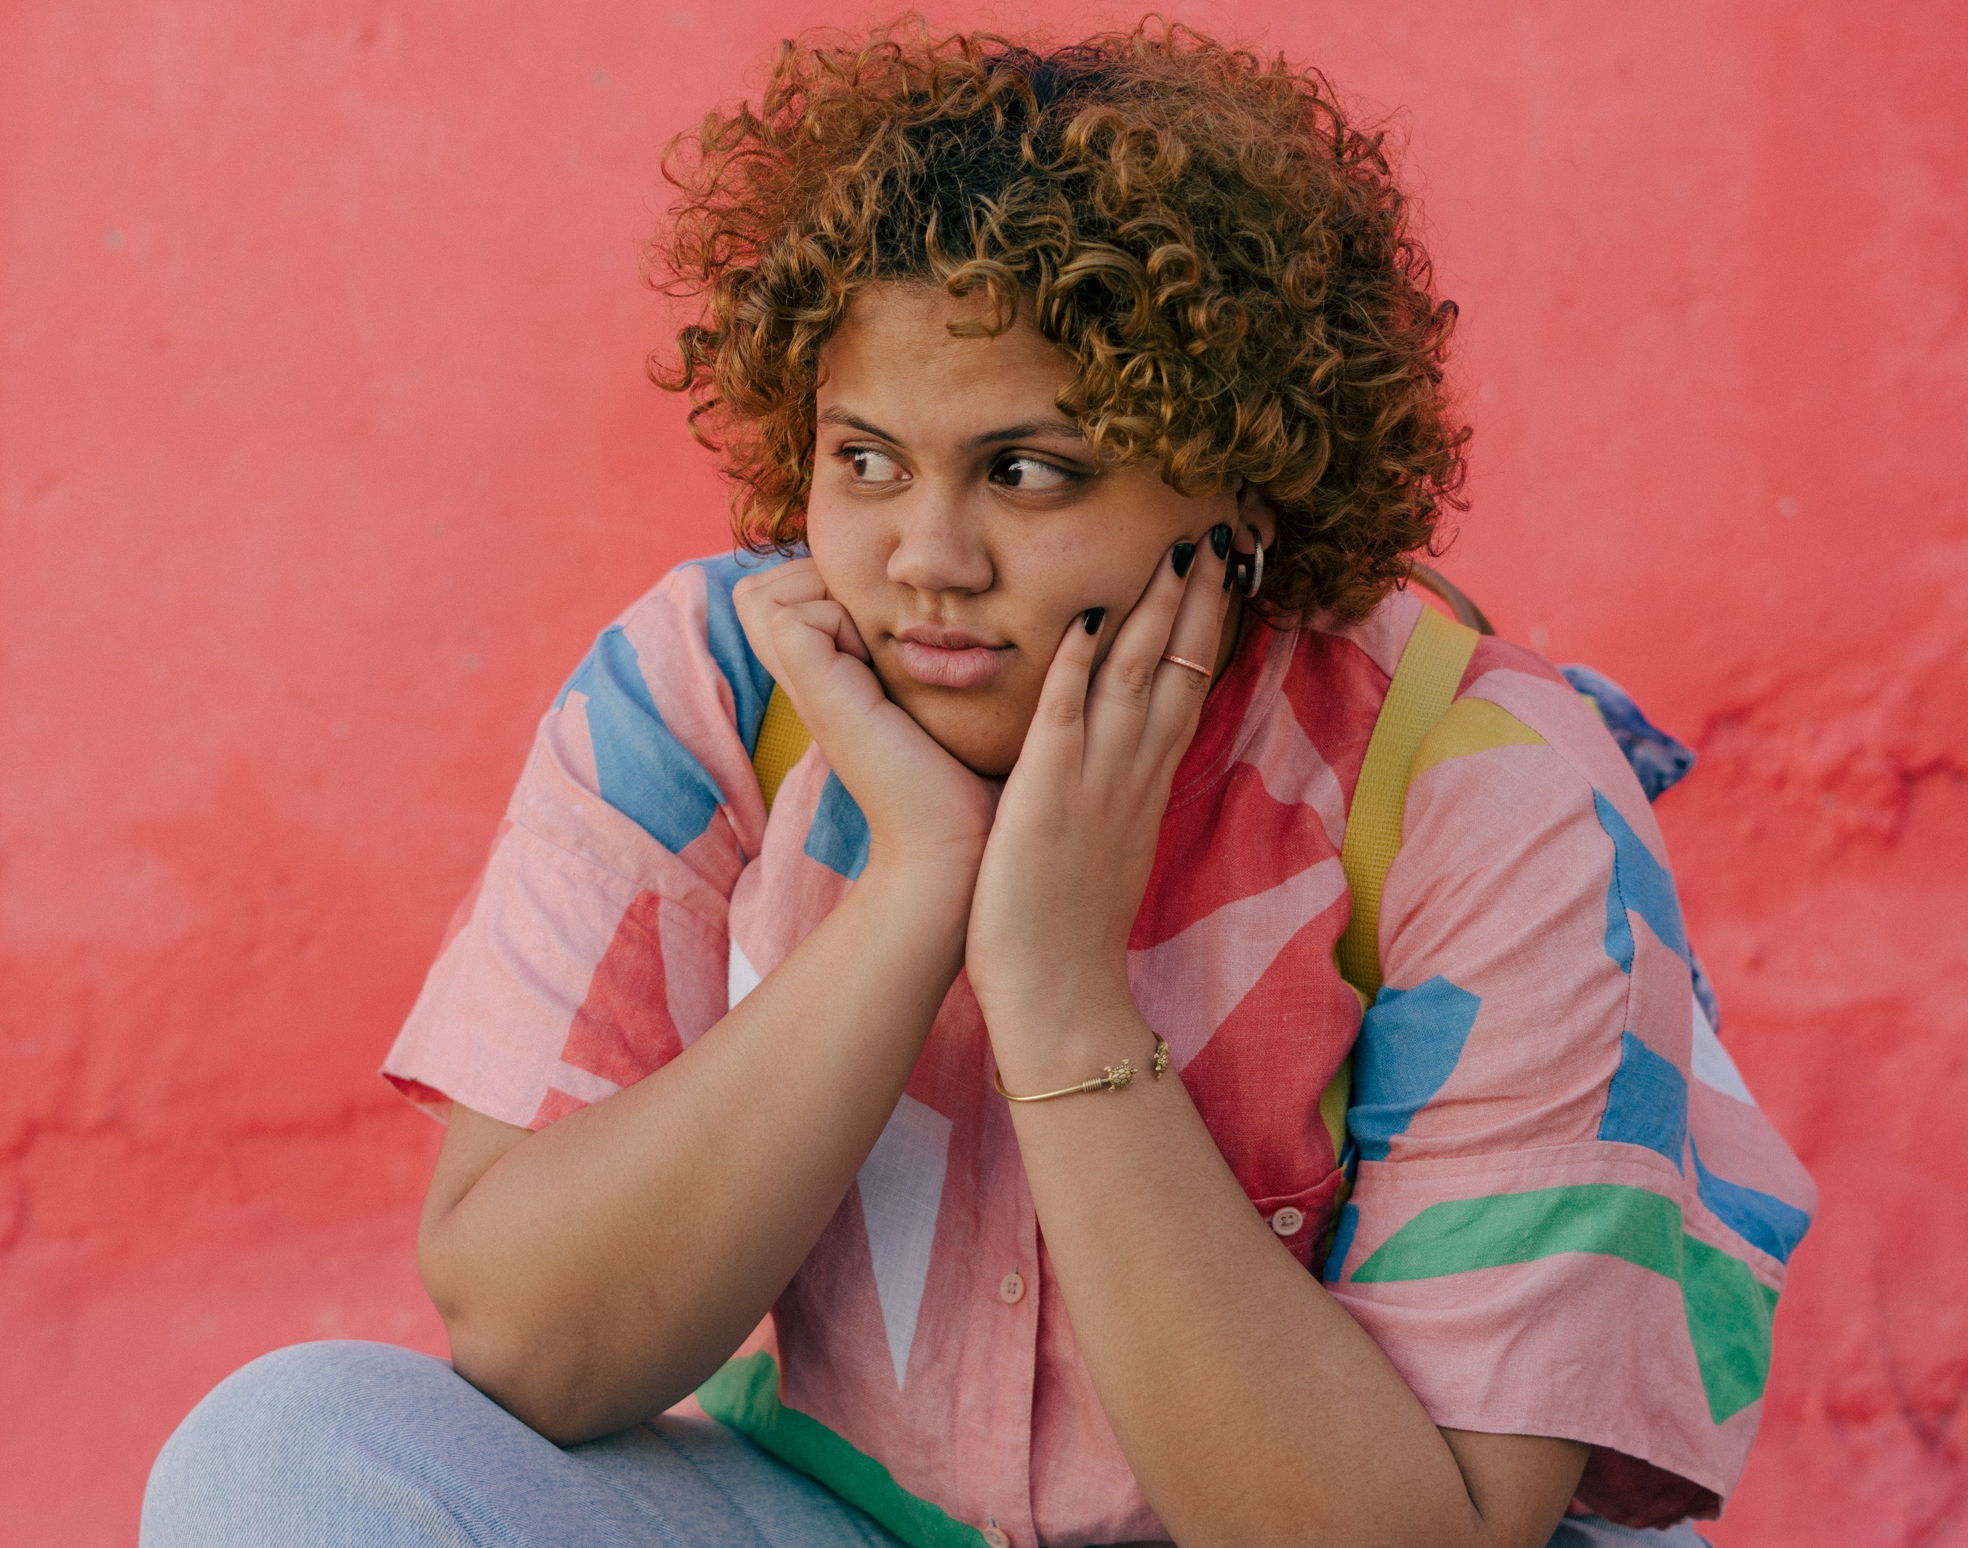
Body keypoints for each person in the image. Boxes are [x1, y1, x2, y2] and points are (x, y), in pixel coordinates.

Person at [141, 20, 1814, 1548]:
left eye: (1029, 471)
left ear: (1240, 479)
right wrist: (918, 893)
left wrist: (1060, 989)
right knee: (292, 1456)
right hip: (836, 1520)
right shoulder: (719, 693)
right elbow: (531, 1346)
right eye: (864, 460)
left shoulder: (1483, 795)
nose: (923, 559)